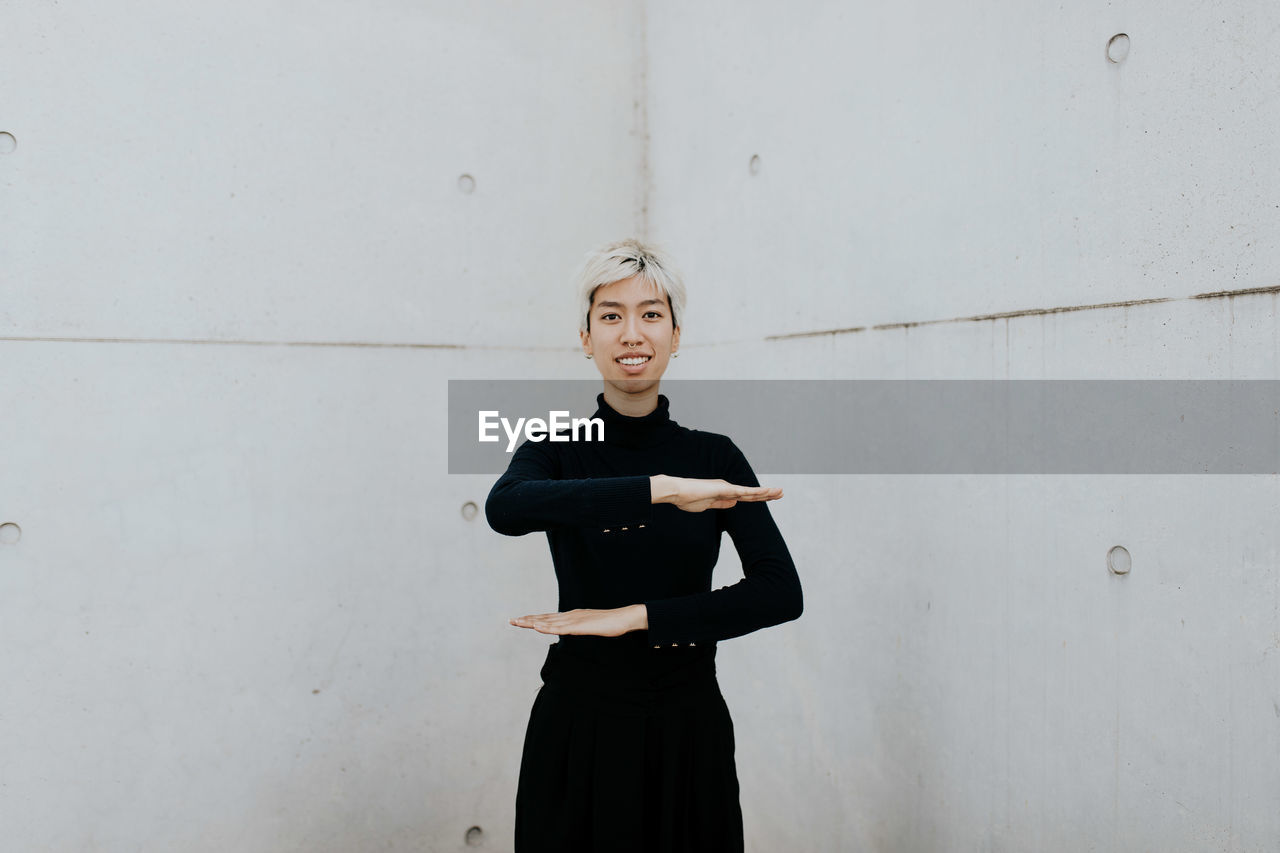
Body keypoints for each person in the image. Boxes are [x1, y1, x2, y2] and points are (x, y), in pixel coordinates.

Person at [485, 238, 803, 853]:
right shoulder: (555, 446)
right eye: (611, 316)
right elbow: (507, 508)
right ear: (586, 338)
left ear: (676, 334)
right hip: (580, 724)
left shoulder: (714, 455)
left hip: (688, 727)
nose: (632, 333)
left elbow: (779, 592)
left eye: (651, 315)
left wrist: (636, 619)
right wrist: (658, 491)